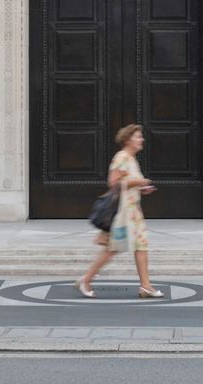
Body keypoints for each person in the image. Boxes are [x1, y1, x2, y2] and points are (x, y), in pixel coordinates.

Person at [75, 124, 162, 299]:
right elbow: (113, 183)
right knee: (112, 248)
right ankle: (86, 279)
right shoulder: (121, 157)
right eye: (138, 136)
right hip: (122, 213)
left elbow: (126, 183)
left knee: (141, 246)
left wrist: (141, 188)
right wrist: (139, 182)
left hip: (133, 212)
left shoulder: (131, 159)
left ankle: (146, 286)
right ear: (128, 139)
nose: (142, 139)